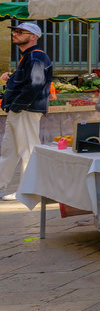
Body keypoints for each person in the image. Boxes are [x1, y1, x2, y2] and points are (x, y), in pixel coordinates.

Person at [0, 22, 53, 200]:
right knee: (10, 150)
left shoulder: (36, 57)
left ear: (33, 37)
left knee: (27, 150)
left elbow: (36, 84)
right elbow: (31, 82)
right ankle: (3, 187)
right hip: (20, 109)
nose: (15, 34)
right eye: (15, 31)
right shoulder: (30, 56)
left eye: (20, 32)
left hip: (25, 110)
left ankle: (28, 191)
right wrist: (12, 78)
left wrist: (18, 105)